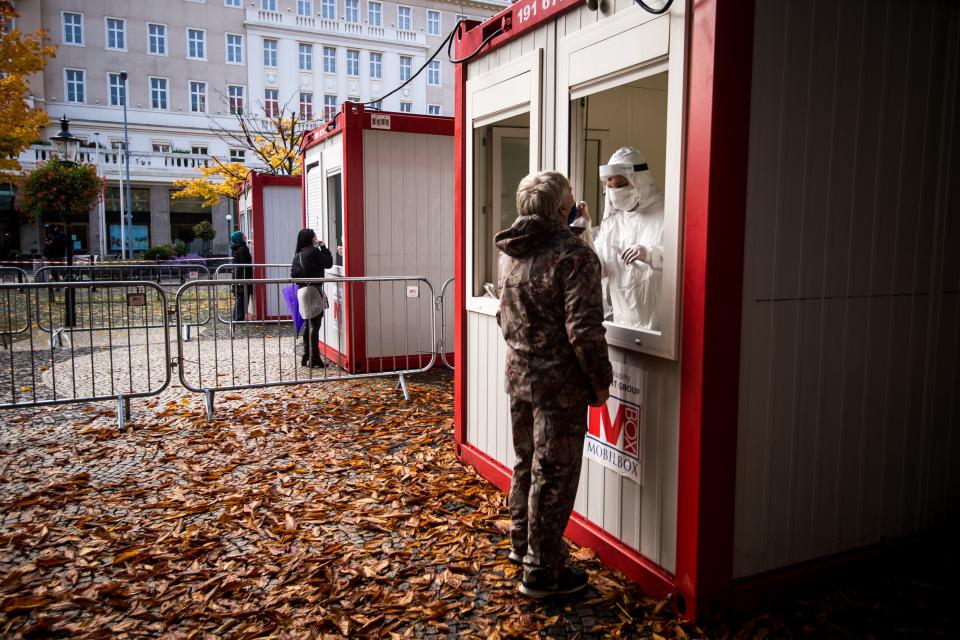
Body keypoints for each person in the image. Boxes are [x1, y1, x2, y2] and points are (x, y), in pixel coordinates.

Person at [494, 170, 613, 599]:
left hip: (519, 380)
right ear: (563, 208)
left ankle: (523, 546)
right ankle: (543, 573)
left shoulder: (513, 253)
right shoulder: (573, 255)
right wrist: (601, 382)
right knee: (555, 475)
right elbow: (584, 330)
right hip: (559, 388)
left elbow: (502, 316)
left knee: (527, 464)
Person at [593, 146, 665, 331]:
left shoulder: (668, 213)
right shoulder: (612, 224)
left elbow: (685, 262)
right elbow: (595, 269)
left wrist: (650, 254)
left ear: (639, 181)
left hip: (661, 335)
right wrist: (584, 233)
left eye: (620, 185)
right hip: (621, 330)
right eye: (609, 187)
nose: (614, 192)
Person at [291, 228, 333, 367]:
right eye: (314, 236)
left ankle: (306, 355)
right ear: (311, 238)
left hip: (301, 291)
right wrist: (324, 247)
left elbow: (293, 275)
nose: (316, 237)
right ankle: (315, 357)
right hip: (314, 290)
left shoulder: (298, 254)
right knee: (316, 325)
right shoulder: (314, 251)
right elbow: (328, 263)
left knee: (308, 324)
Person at [230, 231, 253, 322]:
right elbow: (246, 265)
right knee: (242, 297)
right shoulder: (242, 249)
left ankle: (237, 316)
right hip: (242, 277)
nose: (245, 236)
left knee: (240, 297)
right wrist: (247, 279)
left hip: (238, 276)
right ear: (239, 237)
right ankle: (239, 318)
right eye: (243, 235)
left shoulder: (237, 248)